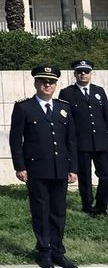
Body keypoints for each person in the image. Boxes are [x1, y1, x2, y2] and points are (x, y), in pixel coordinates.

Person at [10, 65, 78, 268]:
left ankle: (58, 250)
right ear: (36, 83)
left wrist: (73, 168)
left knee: (58, 211)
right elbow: (16, 140)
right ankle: (45, 251)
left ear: (56, 85)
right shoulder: (24, 107)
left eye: (51, 82)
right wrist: (20, 167)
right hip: (36, 169)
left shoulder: (64, 108)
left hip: (60, 169)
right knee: (40, 209)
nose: (47, 85)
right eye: (43, 81)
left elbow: (71, 140)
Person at [59, 59, 107, 217]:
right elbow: (65, 120)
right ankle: (87, 206)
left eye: (86, 71)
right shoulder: (67, 93)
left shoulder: (99, 91)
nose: (83, 74)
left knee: (105, 175)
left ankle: (101, 205)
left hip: (101, 142)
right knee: (84, 177)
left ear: (91, 73)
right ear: (75, 74)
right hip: (80, 143)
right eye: (80, 71)